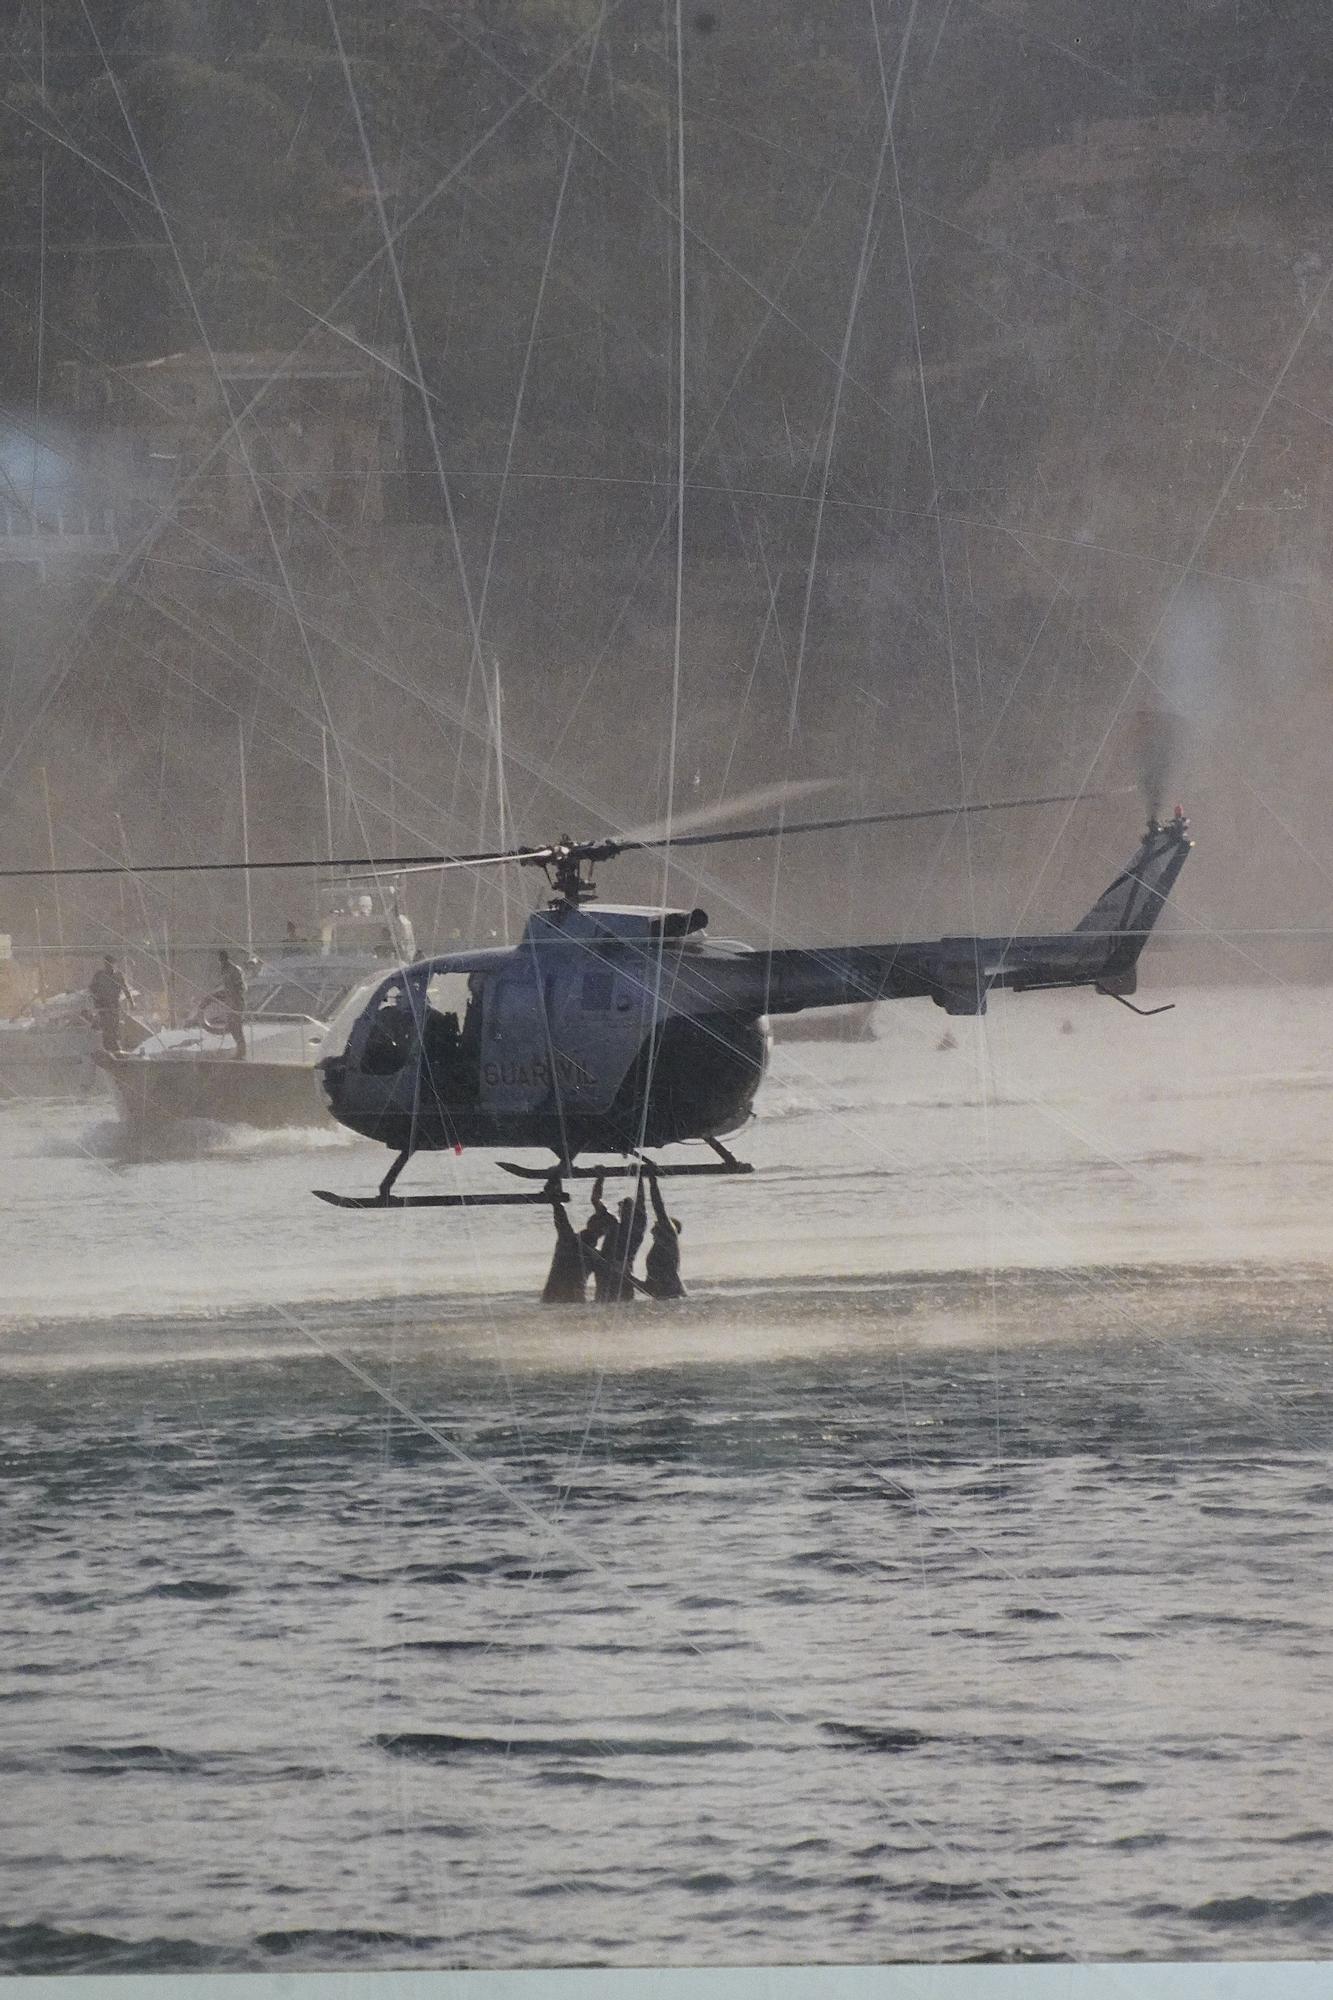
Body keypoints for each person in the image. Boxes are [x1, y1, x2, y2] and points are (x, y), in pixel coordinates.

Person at [541, 1175, 613, 1305]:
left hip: (553, 1299)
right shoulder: (596, 1256)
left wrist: (555, 1186)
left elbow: (560, 1213)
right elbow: (603, 1287)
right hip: (574, 1302)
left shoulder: (569, 1240)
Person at [595, 1176, 647, 1305]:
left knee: (620, 1300)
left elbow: (641, 1201)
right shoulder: (614, 1224)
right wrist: (600, 1178)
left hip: (620, 1271)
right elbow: (596, 1200)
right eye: (622, 1209)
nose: (622, 1211)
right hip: (609, 1271)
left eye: (626, 1209)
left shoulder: (636, 1230)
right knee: (607, 1300)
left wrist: (639, 1177)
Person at [643, 1168, 686, 1299]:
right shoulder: (657, 1247)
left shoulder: (670, 1236)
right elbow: (647, 1288)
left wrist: (652, 1181)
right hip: (663, 1296)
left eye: (656, 1225)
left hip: (673, 1294)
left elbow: (658, 1207)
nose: (651, 1229)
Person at [88, 955, 134, 1056]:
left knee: (114, 1026)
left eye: (111, 964)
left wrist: (131, 1003)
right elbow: (91, 989)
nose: (109, 966)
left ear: (114, 964)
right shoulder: (99, 975)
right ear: (105, 964)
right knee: (106, 1027)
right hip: (103, 1005)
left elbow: (125, 989)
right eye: (107, 964)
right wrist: (96, 998)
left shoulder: (118, 976)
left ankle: (114, 1047)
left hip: (114, 1005)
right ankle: (107, 1047)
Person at [213, 949, 247, 1060]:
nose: (219, 961)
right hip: (229, 1003)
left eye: (220, 959)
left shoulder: (234, 969)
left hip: (236, 1002)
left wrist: (235, 998)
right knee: (232, 1027)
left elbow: (241, 987)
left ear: (224, 958)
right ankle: (239, 1049)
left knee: (237, 1027)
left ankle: (241, 1051)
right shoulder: (224, 970)